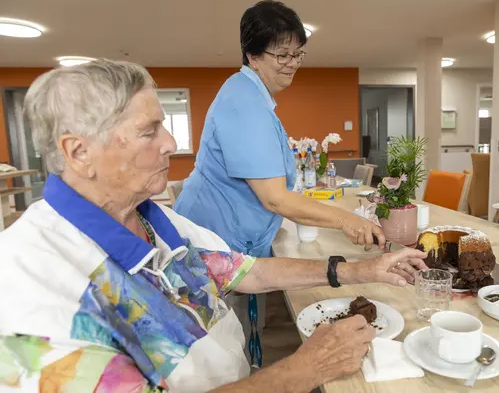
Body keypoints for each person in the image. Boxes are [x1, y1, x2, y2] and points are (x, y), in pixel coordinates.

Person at [0, 59, 428, 392]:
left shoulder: (153, 216)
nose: (170, 143)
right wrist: (304, 369)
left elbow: (248, 270)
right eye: (149, 131)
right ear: (79, 152)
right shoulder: (31, 285)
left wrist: (361, 270)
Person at [173, 0, 386, 362]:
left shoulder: (253, 96)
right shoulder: (245, 103)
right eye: (281, 54)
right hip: (212, 242)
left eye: (298, 54)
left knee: (232, 341)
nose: (291, 64)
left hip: (230, 243)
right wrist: (348, 220)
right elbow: (274, 198)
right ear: (252, 56)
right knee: (215, 352)